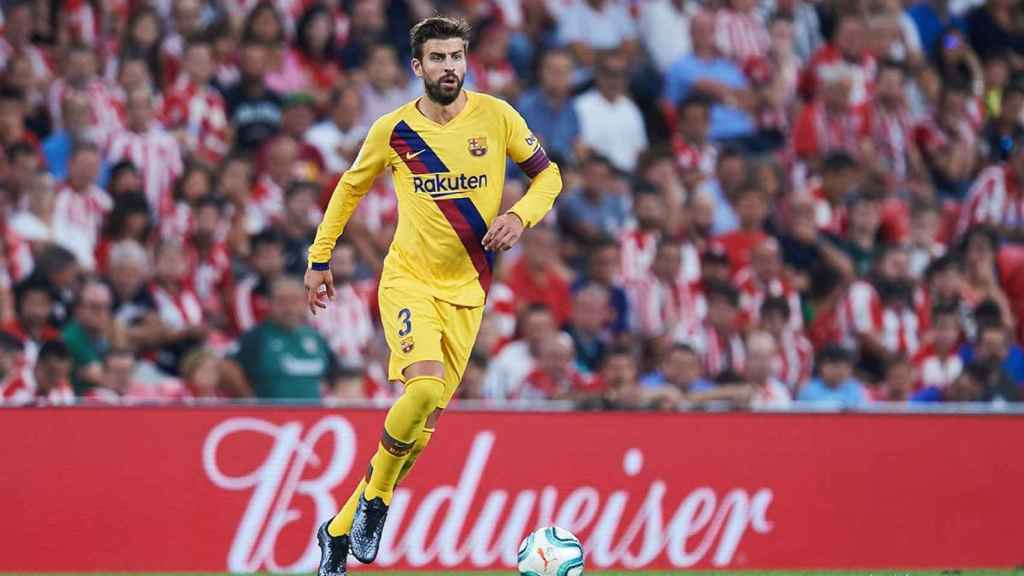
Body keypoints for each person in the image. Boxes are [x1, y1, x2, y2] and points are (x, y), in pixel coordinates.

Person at [303, 17, 562, 576]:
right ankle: (378, 500)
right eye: (438, 58)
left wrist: (519, 216)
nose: (450, 67)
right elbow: (349, 189)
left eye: (457, 56)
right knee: (420, 390)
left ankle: (339, 529)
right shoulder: (394, 131)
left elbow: (549, 177)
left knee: (419, 435)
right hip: (409, 282)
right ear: (417, 67)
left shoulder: (496, 117)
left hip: (468, 291)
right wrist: (319, 259)